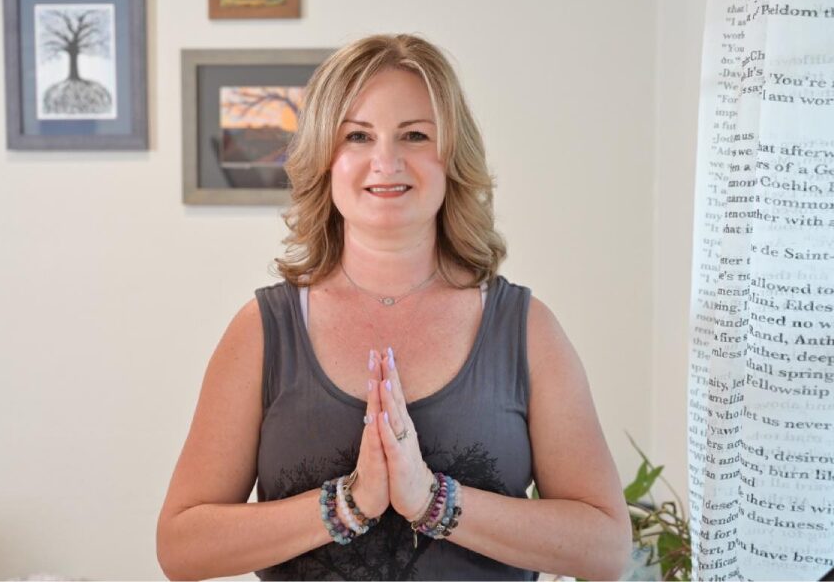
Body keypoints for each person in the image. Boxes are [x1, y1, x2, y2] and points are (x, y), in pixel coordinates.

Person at [156, 34, 631, 581]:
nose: (386, 160)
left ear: (452, 157)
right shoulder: (264, 331)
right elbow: (182, 547)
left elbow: (606, 549)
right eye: (358, 135)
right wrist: (347, 505)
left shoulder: (525, 329)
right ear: (325, 160)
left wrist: (432, 501)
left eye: (415, 135)